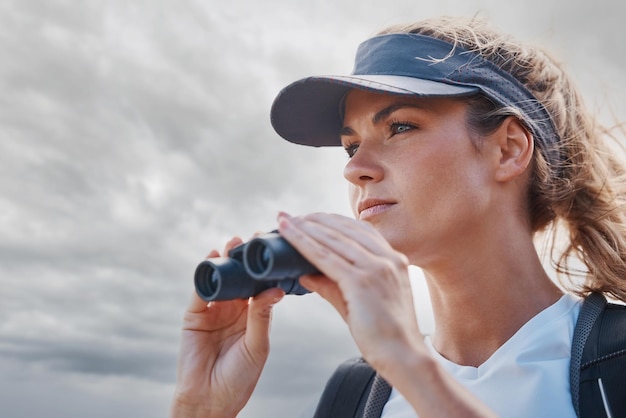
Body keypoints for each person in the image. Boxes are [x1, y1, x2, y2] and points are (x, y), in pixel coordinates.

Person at [170, 16, 626, 418]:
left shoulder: (617, 360)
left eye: (400, 127)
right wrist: (198, 413)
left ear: (507, 149)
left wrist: (410, 365)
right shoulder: (356, 393)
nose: (354, 167)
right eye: (351, 146)